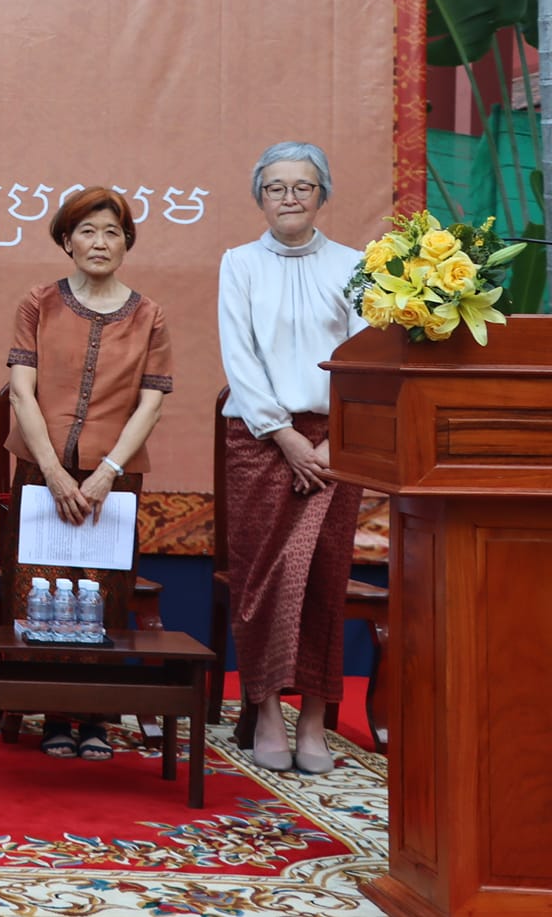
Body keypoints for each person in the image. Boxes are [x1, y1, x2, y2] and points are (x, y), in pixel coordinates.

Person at [5, 185, 172, 760]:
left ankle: (96, 717)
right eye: (87, 231)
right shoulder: (38, 302)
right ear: (66, 241)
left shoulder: (149, 315)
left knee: (104, 596)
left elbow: (151, 404)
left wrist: (107, 472)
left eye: (112, 233)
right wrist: (53, 472)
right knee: (43, 593)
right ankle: (54, 713)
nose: (100, 243)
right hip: (41, 472)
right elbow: (21, 393)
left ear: (126, 243)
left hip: (114, 480)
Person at [217, 142, 363, 776]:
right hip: (260, 442)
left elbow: (366, 361)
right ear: (260, 197)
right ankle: (268, 709)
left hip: (336, 446)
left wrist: (334, 440)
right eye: (275, 187)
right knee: (265, 577)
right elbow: (240, 357)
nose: (289, 198)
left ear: (322, 194)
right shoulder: (239, 263)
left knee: (323, 578)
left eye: (303, 186)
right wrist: (285, 436)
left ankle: (314, 719)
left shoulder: (358, 266)